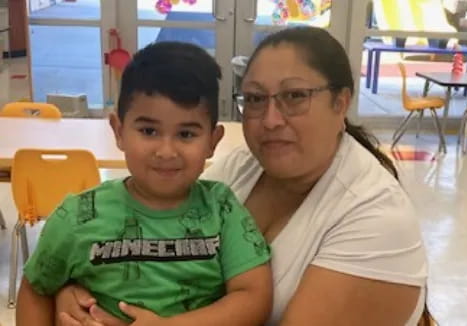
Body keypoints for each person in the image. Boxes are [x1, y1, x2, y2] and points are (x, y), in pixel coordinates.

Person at [56, 26, 427, 326]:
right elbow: (157, 259)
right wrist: (82, 293)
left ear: (340, 103)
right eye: (254, 99)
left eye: (294, 96)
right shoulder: (239, 169)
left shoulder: (377, 219)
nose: (270, 120)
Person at [16, 42, 273, 326]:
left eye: (186, 134)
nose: (166, 151)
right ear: (118, 131)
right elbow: (35, 289)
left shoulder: (223, 209)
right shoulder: (76, 214)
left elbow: (253, 298)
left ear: (213, 141)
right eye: (149, 130)